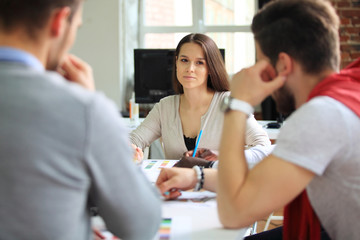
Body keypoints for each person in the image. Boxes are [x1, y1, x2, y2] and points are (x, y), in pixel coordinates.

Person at [157, 0, 360, 239]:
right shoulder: (348, 92)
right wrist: (196, 176)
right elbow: (264, 180)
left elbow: (234, 213)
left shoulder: (320, 116)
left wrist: (238, 104)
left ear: (282, 64)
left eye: (261, 61)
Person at [0, 1, 161, 239]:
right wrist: (90, 105)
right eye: (77, 26)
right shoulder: (84, 109)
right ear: (59, 21)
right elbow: (141, 224)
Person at [130, 33, 270, 160]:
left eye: (199, 62)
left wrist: (222, 157)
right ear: (176, 63)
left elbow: (264, 147)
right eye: (184, 60)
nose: (190, 68)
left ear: (210, 68)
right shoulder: (164, 107)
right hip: (176, 186)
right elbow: (135, 139)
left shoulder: (229, 103)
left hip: (217, 185)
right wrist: (132, 149)